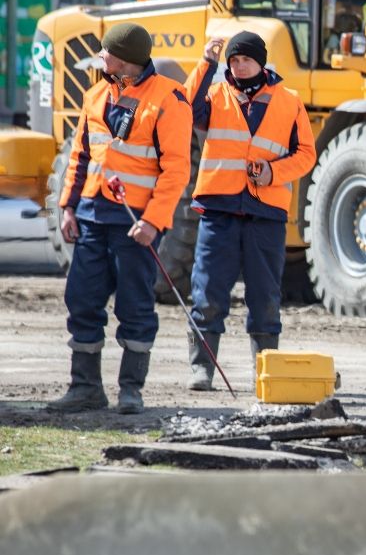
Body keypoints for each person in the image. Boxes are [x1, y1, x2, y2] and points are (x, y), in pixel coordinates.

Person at [47, 23, 193, 414]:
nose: (99, 58)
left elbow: (176, 170)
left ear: (123, 59)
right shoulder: (95, 95)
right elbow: (80, 157)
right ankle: (85, 388)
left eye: (104, 52)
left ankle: (131, 390)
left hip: (136, 224)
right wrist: (68, 207)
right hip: (92, 218)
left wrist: (153, 221)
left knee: (135, 305)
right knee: (82, 300)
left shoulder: (169, 98)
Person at [183, 31, 316, 390]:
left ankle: (265, 374)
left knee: (266, 299)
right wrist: (206, 63)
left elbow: (306, 154)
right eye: (234, 61)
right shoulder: (214, 94)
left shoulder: (289, 101)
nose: (239, 67)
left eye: (246, 60)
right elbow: (186, 107)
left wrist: (273, 172)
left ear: (261, 61)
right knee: (208, 294)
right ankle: (202, 369)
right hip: (219, 210)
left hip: (265, 213)